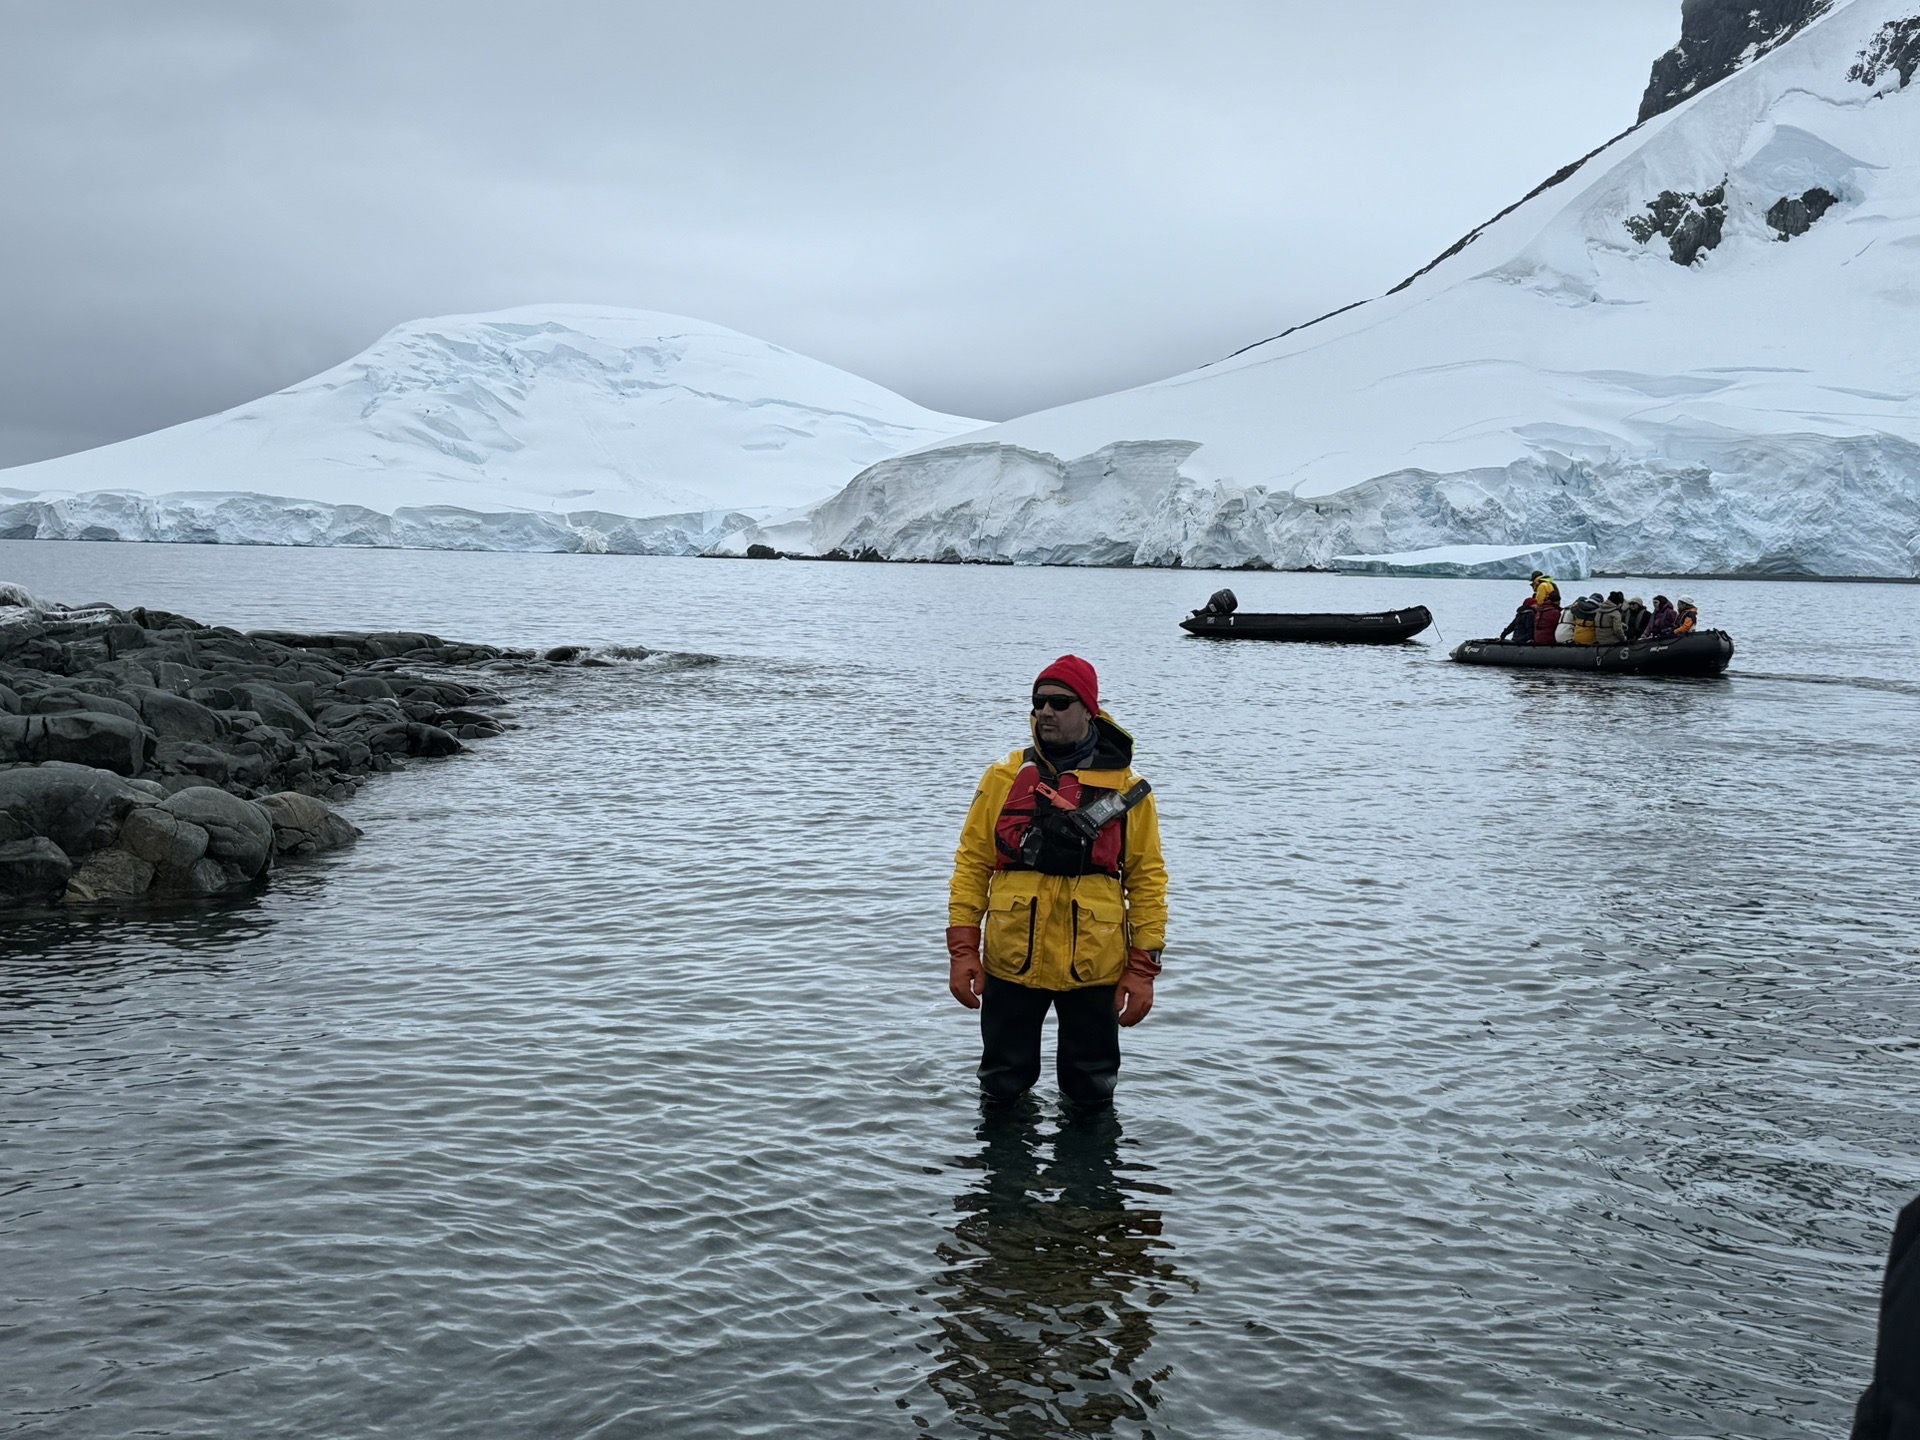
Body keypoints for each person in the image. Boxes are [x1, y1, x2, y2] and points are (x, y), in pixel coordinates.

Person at [947, 656, 1169, 1109]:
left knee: (1092, 1092)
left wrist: (1143, 968)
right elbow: (972, 863)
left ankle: (1089, 1173)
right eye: (1038, 702)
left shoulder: (1127, 789)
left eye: (1059, 702)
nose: (1045, 712)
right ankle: (1003, 1172)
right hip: (1011, 960)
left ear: (1089, 710)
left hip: (1095, 963)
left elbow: (1146, 879)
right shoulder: (1003, 777)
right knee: (1001, 1087)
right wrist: (964, 951)